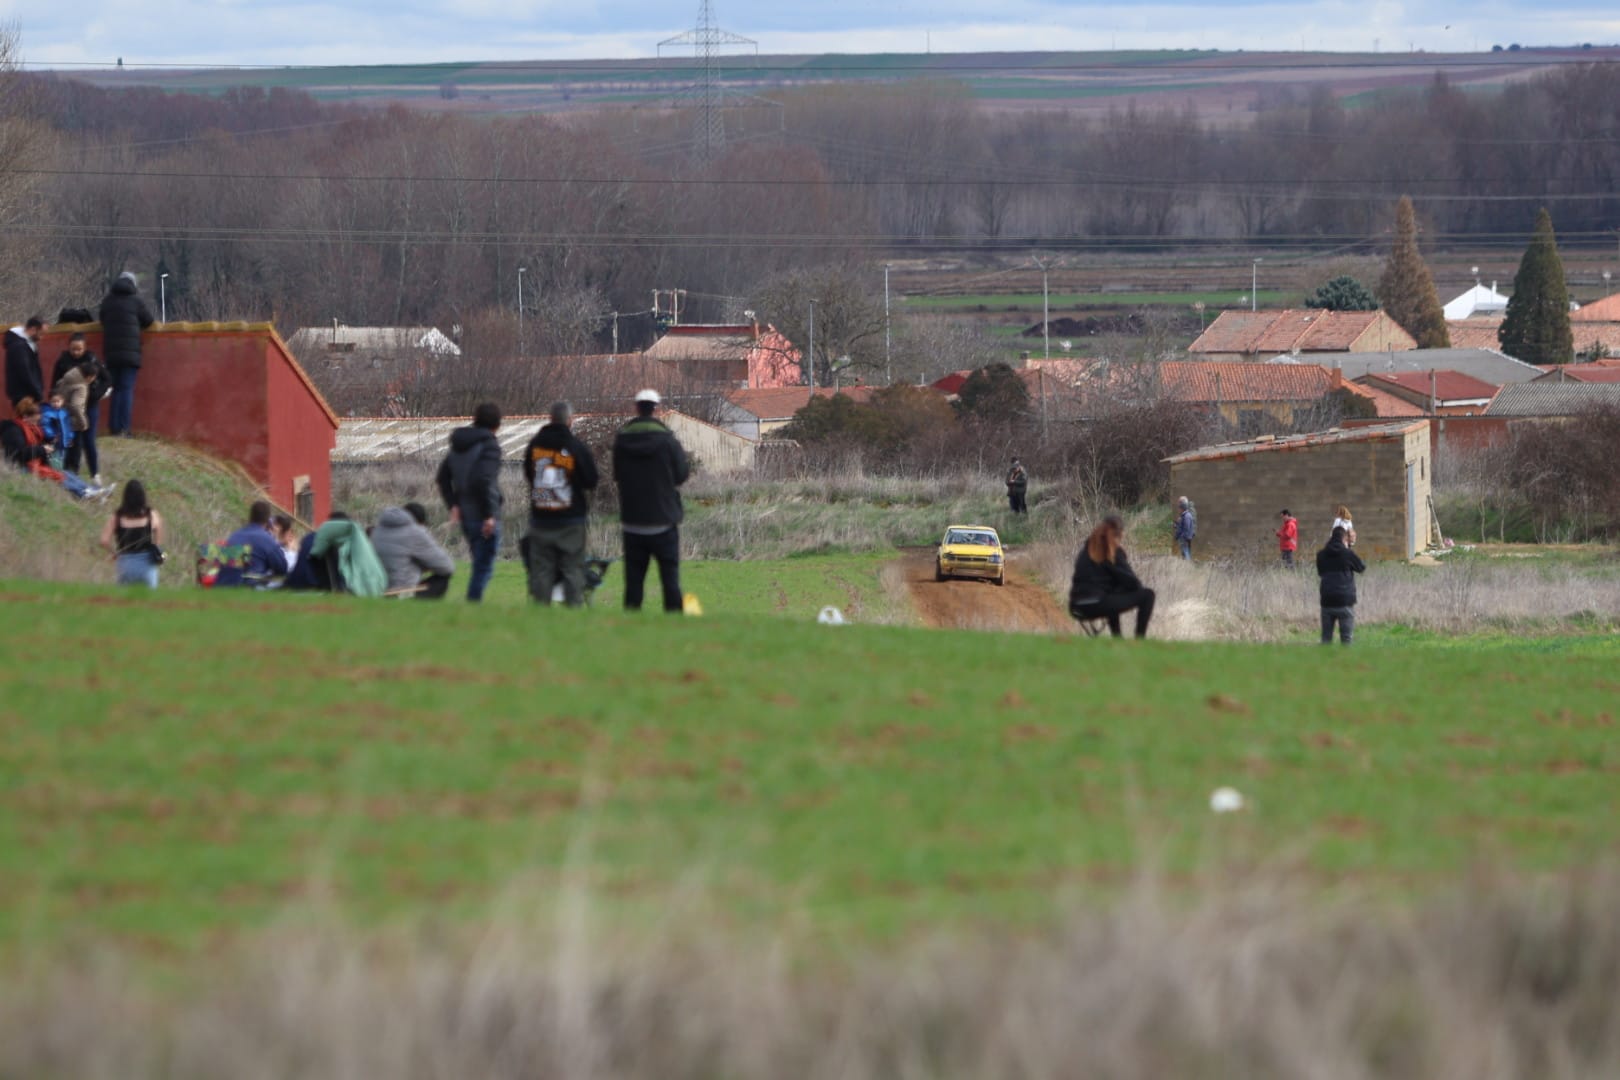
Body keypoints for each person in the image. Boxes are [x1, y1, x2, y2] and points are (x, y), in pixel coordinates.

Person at [613, 388, 689, 613]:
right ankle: (673, 623)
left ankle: (631, 627)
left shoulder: (621, 440)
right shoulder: (667, 440)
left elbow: (617, 475)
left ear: (636, 408)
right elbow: (682, 474)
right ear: (656, 409)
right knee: (670, 581)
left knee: (634, 583)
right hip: (664, 520)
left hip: (632, 521)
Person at [523, 400, 599, 607]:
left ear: (550, 418)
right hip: (570, 520)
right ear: (570, 421)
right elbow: (591, 479)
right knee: (572, 568)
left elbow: (529, 475)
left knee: (541, 570)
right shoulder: (575, 447)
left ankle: (540, 613)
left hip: (541, 519)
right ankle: (572, 612)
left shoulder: (534, 445)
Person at [436, 402, 504, 602]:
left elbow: (442, 477)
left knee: (479, 562)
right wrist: (489, 514)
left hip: (466, 514)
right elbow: (484, 479)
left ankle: (473, 603)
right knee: (484, 567)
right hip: (483, 514)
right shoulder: (490, 445)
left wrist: (454, 505)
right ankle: (472, 605)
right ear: (497, 424)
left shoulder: (458, 446)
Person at [0, 397, 108, 500]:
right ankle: (84, 493)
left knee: (65, 473)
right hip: (23, 467)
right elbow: (18, 454)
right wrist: (42, 449)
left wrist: (49, 445)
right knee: (58, 475)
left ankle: (92, 490)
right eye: (34, 421)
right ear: (25, 417)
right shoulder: (13, 431)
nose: (36, 424)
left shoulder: (31, 429)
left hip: (35, 463)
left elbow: (35, 446)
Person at [1068, 515, 1156, 639]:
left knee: (1110, 597)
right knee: (1148, 595)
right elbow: (1134, 584)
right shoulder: (1112, 552)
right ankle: (1139, 641)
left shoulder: (1085, 550)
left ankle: (1117, 639)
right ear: (1119, 534)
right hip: (1097, 604)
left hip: (1076, 607)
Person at [99, 271, 156, 436]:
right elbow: (149, 320)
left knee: (115, 389)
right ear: (133, 285)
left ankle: (114, 428)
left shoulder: (107, 301)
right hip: (131, 354)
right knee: (126, 389)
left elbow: (102, 320)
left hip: (111, 353)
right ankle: (125, 428)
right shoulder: (136, 301)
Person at [53, 334, 110, 482]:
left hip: (90, 404)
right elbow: (55, 384)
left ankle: (95, 473)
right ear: (68, 347)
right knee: (72, 440)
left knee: (89, 440)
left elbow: (107, 379)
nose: (76, 352)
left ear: (85, 348)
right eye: (73, 349)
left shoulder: (92, 359)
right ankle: (71, 473)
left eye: (79, 349)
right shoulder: (63, 362)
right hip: (69, 407)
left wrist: (95, 394)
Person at [372, 502, 455, 599]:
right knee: (443, 579)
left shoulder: (377, 530)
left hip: (376, 590)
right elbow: (447, 567)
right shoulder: (414, 532)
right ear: (420, 523)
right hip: (401, 592)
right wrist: (425, 565)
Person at [99, 480, 165, 588]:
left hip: (125, 564)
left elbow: (104, 540)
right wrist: (156, 548)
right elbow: (158, 535)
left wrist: (114, 553)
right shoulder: (151, 515)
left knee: (125, 602)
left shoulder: (118, 516)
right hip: (147, 565)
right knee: (149, 602)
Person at [214, 500, 290, 587]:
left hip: (225, 585)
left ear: (250, 517)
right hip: (249, 586)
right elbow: (282, 568)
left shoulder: (235, 535)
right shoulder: (266, 539)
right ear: (268, 521)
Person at [1316, 525, 1366, 645]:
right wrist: (1349, 548)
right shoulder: (1347, 554)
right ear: (1344, 539)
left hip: (1327, 600)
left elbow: (1321, 572)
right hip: (1345, 600)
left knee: (1326, 639)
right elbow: (1361, 567)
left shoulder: (1321, 554)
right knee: (1346, 639)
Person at [4, 316, 47, 410]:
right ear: (33, 329)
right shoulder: (19, 347)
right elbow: (25, 372)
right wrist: (37, 392)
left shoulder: (25, 344)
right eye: (41, 334)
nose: (41, 337)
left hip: (26, 393)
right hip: (24, 394)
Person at [38, 392, 73, 470]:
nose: (56, 404)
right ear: (50, 402)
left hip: (64, 441)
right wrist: (51, 435)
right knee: (54, 457)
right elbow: (45, 426)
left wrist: (70, 436)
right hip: (54, 440)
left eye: (58, 401)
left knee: (63, 456)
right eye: (54, 402)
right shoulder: (47, 414)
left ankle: (62, 471)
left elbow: (68, 426)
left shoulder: (64, 413)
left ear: (62, 402)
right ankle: (54, 470)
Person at [1173, 495, 1196, 561]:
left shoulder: (1187, 516)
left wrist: (1181, 538)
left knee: (1186, 555)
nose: (1178, 507)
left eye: (1179, 504)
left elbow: (1186, 529)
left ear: (1182, 507)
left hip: (1184, 540)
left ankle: (1188, 568)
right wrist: (1177, 525)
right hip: (1184, 539)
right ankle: (1186, 568)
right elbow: (1182, 527)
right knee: (1184, 554)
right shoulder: (1184, 516)